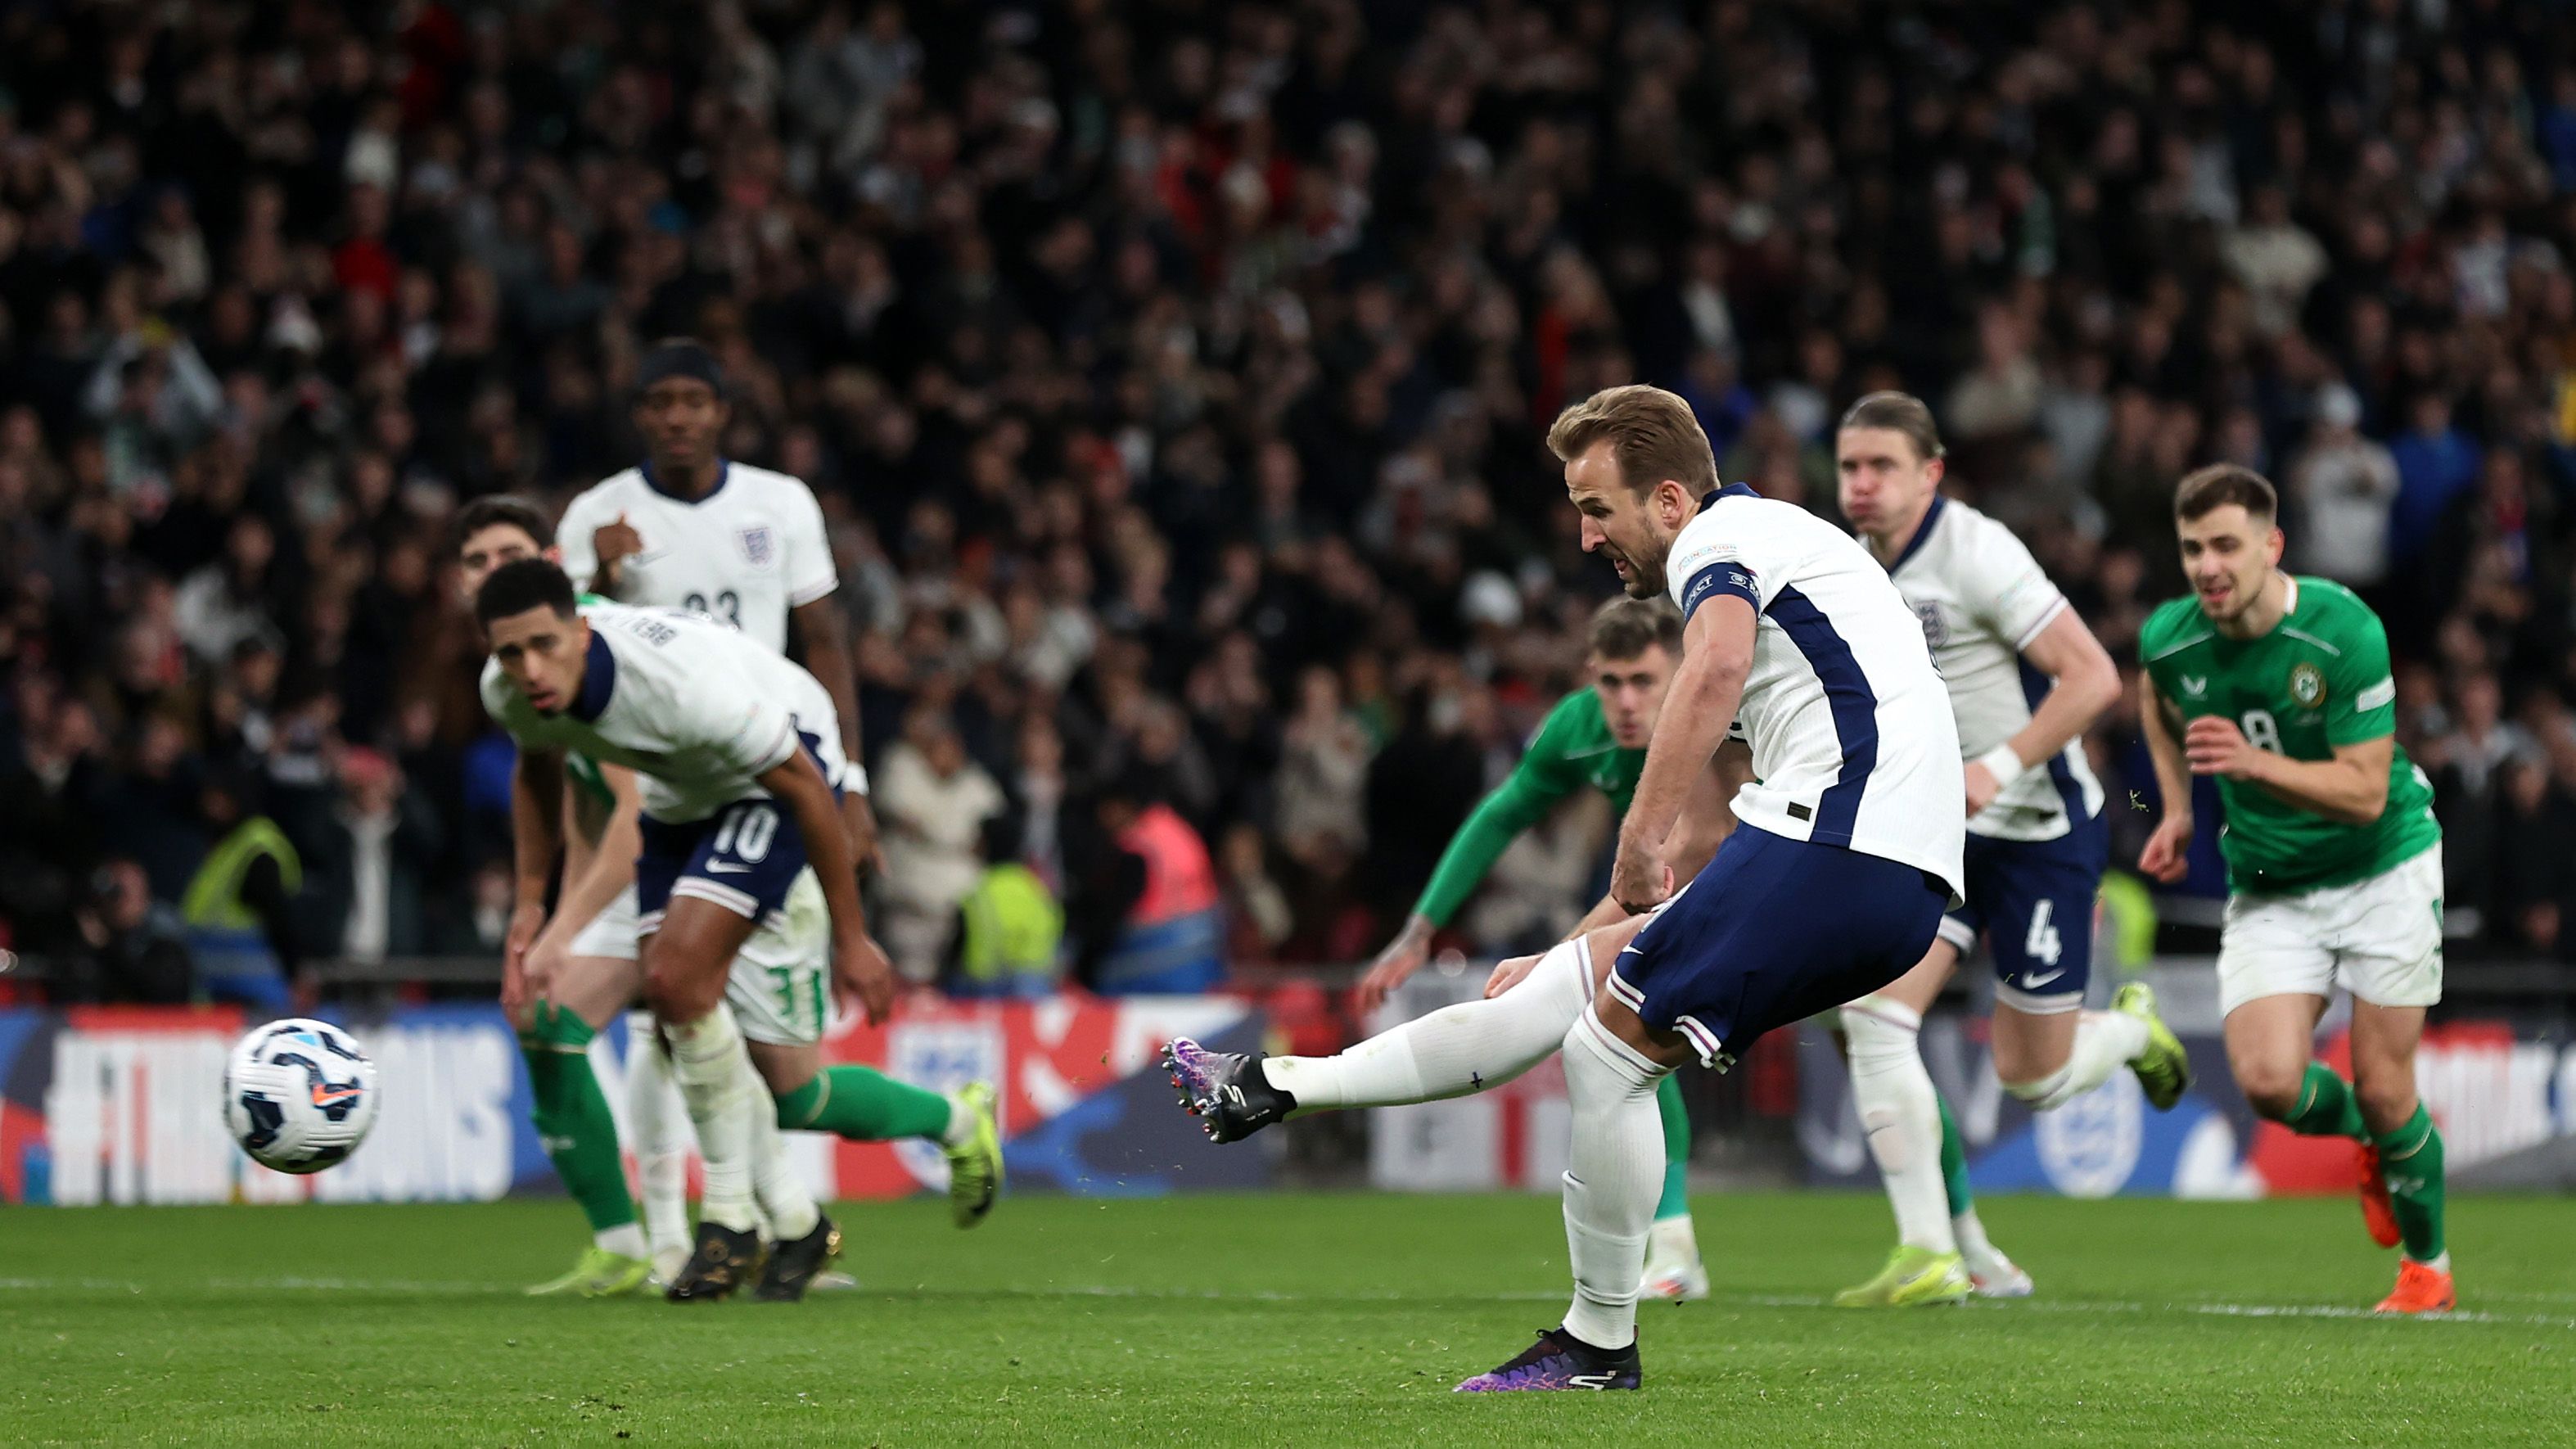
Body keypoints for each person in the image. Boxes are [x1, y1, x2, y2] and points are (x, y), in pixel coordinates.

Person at [1176, 383, 1965, 1390]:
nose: (1587, 537)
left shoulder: (1721, 543)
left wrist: (1637, 834)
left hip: (1850, 843)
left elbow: (1713, 671)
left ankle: (1597, 1343)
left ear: (1670, 500)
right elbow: (1717, 810)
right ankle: (1274, 1085)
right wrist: (1579, 940)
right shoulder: (1786, 554)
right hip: (1868, 855)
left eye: (1598, 508)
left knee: (1608, 1052)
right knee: (1562, 989)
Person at [455, 502, 1001, 1301]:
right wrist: (532, 905)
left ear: (581, 630)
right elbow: (538, 771)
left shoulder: (679, 688)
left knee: (679, 984)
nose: (531, 669)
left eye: (545, 645)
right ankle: (887, 1159)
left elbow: (805, 788)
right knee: (783, 1083)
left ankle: (733, 1221)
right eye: (512, 654)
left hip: (774, 775)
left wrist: (853, 937)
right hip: (684, 797)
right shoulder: (508, 690)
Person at [1829, 393, 2188, 1307]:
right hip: (1939, 835)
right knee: (1872, 1014)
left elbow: (2094, 678)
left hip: (2040, 830)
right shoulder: (1850, 565)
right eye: (1849, 466)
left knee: (2036, 1077)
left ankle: (2132, 1032)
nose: (1861, 484)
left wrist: (1997, 766)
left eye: (1881, 466)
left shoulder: (1976, 550)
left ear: (1931, 473)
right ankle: (1935, 1252)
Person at [2135, 465, 2454, 1315]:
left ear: (2271, 546)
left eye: (2225, 546)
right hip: (2271, 882)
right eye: (2193, 549)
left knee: (2386, 1086)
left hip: (2384, 869)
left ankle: (2427, 1269)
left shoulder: (2343, 630)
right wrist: (2174, 808)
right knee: (2271, 1081)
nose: (2208, 567)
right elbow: (2153, 697)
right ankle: (2371, 1140)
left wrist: (2250, 763)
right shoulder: (2170, 636)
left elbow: (2364, 790)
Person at [1344, 596, 1712, 1302]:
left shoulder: (1715, 723)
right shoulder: (1576, 728)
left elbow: (1701, 850)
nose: (1625, 702)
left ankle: (1941, 1230)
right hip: (1671, 894)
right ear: (1589, 675)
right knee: (1633, 1029)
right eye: (1610, 682)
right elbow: (1501, 813)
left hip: (1758, 881)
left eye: (1643, 681)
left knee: (1866, 1034)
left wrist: (1557, 958)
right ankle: (1673, 1250)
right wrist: (1420, 930)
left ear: (1680, 672)